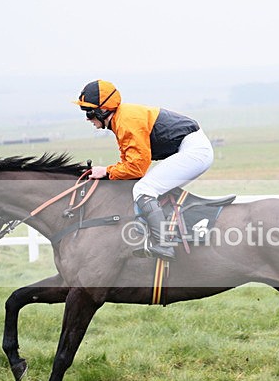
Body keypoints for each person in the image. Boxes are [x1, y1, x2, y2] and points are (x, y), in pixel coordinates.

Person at [76, 79, 214, 260]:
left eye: (89, 112)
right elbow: (129, 161)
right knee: (148, 187)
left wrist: (107, 171)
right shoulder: (120, 119)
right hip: (190, 148)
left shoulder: (126, 121)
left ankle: (164, 244)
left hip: (194, 151)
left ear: (103, 110)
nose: (87, 118)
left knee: (144, 188)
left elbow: (136, 168)